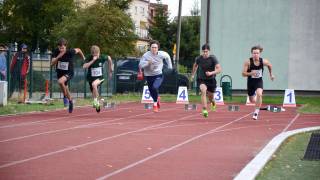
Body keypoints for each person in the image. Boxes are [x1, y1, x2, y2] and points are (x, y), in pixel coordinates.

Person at [51, 38, 85, 113]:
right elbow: (52, 64)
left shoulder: (70, 52)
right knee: (66, 88)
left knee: (60, 82)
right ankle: (70, 101)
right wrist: (58, 57)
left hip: (69, 72)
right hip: (60, 72)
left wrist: (83, 58)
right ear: (58, 47)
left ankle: (65, 97)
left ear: (66, 47)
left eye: (63, 48)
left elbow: (79, 49)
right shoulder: (56, 52)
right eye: (60, 48)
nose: (61, 49)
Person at [242, 45, 275, 120]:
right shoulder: (248, 62)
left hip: (258, 81)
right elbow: (243, 74)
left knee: (259, 94)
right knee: (251, 100)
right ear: (251, 53)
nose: (255, 55)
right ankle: (258, 102)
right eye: (254, 53)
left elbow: (270, 65)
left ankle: (256, 112)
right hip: (250, 82)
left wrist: (271, 74)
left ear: (259, 54)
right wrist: (251, 73)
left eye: (257, 53)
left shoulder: (263, 61)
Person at [139, 40, 172, 112]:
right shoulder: (146, 55)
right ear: (150, 48)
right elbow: (140, 65)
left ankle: (155, 105)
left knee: (155, 87)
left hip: (158, 75)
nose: (154, 49)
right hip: (148, 75)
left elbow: (168, 57)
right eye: (152, 47)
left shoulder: (162, 54)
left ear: (158, 48)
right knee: (151, 91)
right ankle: (157, 99)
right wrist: (148, 63)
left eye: (155, 47)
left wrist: (170, 67)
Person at [191, 44, 221, 118]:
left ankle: (213, 103)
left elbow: (219, 69)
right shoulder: (199, 58)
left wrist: (211, 73)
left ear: (209, 51)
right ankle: (204, 109)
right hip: (201, 79)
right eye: (203, 51)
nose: (205, 53)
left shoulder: (213, 58)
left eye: (206, 52)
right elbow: (195, 65)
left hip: (211, 80)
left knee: (211, 97)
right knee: (203, 91)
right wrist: (193, 75)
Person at [83, 45, 113, 112]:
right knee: (93, 93)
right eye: (94, 54)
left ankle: (98, 102)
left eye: (97, 54)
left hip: (100, 78)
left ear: (99, 52)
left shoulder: (102, 57)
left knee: (94, 85)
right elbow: (84, 66)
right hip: (91, 78)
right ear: (92, 54)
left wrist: (110, 70)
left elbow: (109, 58)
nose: (96, 56)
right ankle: (98, 102)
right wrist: (92, 61)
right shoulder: (89, 57)